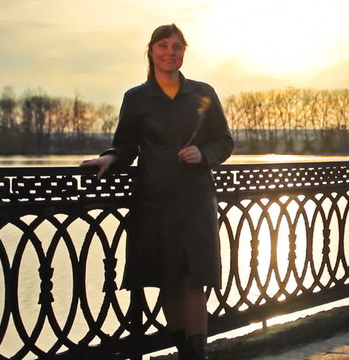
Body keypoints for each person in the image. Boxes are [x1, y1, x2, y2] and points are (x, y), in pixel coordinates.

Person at [80, 24, 234, 360]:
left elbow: (224, 141)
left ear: (184, 51)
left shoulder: (203, 93)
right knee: (168, 279)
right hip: (154, 200)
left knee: (193, 279)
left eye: (177, 46)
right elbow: (126, 145)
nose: (170, 52)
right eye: (163, 46)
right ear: (151, 51)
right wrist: (110, 157)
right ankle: (184, 352)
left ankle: (197, 355)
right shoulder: (136, 98)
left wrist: (203, 155)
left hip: (195, 199)